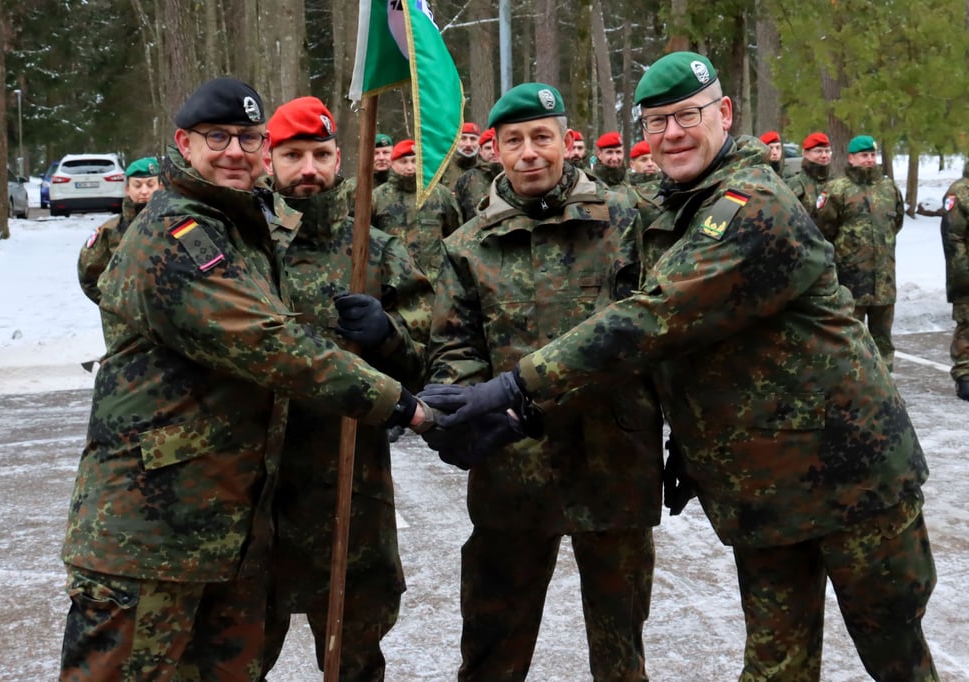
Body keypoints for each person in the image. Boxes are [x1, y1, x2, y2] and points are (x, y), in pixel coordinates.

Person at [419, 52, 937, 682]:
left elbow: (654, 318)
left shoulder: (751, 204)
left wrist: (515, 385)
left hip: (852, 477)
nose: (673, 134)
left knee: (896, 656)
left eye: (687, 116)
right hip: (765, 489)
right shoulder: (676, 212)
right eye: (657, 123)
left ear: (724, 113)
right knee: (776, 668)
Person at [59, 77, 432, 682]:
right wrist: (405, 408)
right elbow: (268, 342)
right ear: (184, 142)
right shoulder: (175, 232)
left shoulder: (240, 230)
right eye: (217, 137)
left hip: (236, 523)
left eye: (248, 139)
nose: (235, 150)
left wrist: (386, 336)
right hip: (151, 531)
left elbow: (427, 343)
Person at [426, 81, 663, 682]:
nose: (530, 153)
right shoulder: (467, 245)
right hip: (512, 470)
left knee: (620, 648)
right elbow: (455, 343)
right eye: (515, 142)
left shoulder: (627, 222)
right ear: (495, 151)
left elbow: (656, 330)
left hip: (614, 462)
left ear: (567, 142)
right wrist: (461, 408)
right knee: (492, 643)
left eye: (542, 138)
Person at [257, 95, 433, 681]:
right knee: (236, 651)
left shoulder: (375, 250)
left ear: (340, 160)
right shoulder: (242, 249)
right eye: (294, 155)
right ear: (269, 159)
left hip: (349, 486)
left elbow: (428, 356)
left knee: (355, 652)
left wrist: (388, 336)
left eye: (322, 154)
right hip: (254, 492)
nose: (309, 168)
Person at [813, 134, 904, 370]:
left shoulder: (888, 188)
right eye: (864, 155)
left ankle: (885, 392)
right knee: (849, 341)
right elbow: (824, 231)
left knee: (883, 341)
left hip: (883, 280)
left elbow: (896, 224)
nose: (870, 160)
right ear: (851, 158)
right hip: (850, 281)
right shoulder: (837, 189)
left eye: (873, 155)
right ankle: (853, 393)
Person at [372, 138, 460, 283]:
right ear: (392, 164)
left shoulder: (440, 195)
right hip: (393, 283)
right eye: (404, 162)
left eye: (414, 161)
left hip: (435, 283)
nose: (410, 167)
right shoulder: (378, 197)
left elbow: (454, 239)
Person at [76, 156, 162, 305]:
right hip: (127, 323)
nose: (144, 191)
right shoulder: (110, 231)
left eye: (150, 185)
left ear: (160, 187)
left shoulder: (176, 225)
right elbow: (88, 274)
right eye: (137, 185)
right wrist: (114, 305)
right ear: (127, 189)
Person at [940, 162, 969, 400]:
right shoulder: (959, 192)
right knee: (967, 324)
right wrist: (962, 273)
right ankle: (965, 376)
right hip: (966, 270)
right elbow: (953, 237)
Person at [454, 127, 503, 222]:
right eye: (488, 148)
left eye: (496, 147)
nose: (493, 152)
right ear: (480, 151)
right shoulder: (467, 179)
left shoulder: (515, 175)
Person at [787, 132, 834, 214]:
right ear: (806, 154)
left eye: (827, 151)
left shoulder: (836, 182)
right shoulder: (797, 183)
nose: (824, 155)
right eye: (818, 151)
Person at [442, 122, 482, 188]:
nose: (468, 144)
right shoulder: (443, 167)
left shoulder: (486, 169)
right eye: (463, 138)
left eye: (473, 139)